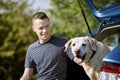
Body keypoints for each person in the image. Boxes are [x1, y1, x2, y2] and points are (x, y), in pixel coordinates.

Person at [20, 12, 90, 80]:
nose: (45, 30)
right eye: (41, 28)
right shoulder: (31, 49)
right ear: (34, 29)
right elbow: (26, 76)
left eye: (47, 26)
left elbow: (78, 60)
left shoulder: (63, 43)